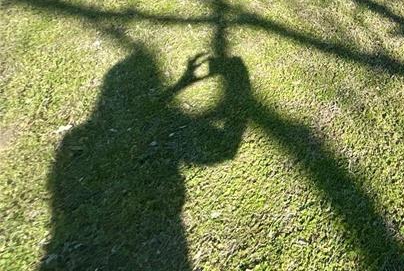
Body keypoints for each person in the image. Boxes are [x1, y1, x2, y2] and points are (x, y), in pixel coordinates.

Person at [41, 48, 249, 270]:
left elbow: (141, 118)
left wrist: (181, 85)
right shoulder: (81, 137)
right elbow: (225, 149)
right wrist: (237, 75)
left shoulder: (80, 136)